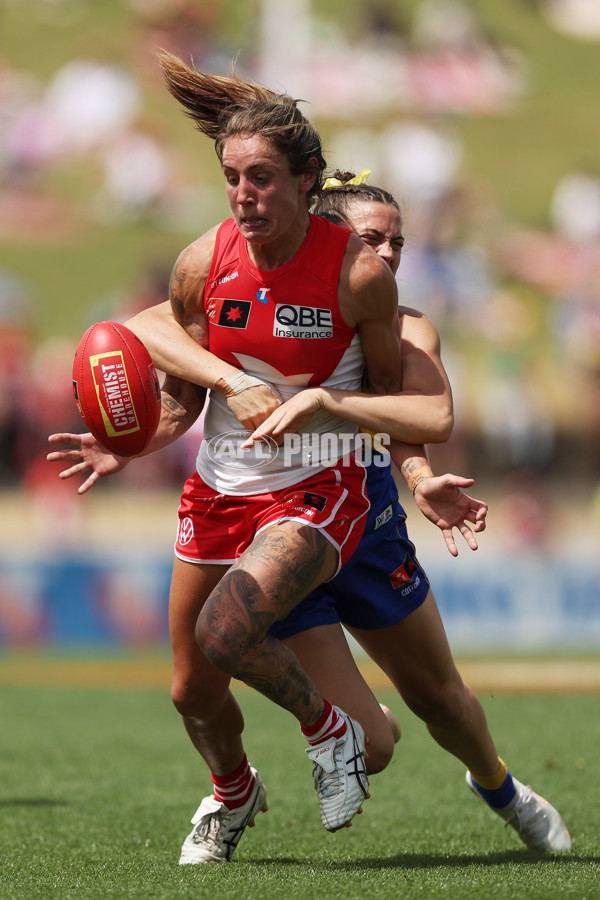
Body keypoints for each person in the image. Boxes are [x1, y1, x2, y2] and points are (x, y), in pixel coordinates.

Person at [50, 169, 571, 862]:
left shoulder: (405, 323)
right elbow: (156, 334)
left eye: (397, 243)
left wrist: (416, 476)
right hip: (276, 526)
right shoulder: (251, 287)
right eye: (369, 240)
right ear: (326, 236)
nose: (385, 256)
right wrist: (137, 438)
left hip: (364, 526)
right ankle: (247, 782)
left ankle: (501, 788)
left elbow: (412, 413)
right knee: (292, 716)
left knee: (442, 701)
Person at [49, 50, 450, 853]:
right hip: (219, 490)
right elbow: (181, 393)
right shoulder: (205, 261)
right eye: (232, 177)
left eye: (261, 177)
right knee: (192, 690)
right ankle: (232, 795)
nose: (243, 194)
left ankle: (326, 730)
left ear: (308, 182)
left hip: (317, 490)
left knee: (225, 633)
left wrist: (402, 462)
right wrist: (131, 443)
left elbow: (392, 405)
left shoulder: (360, 276)